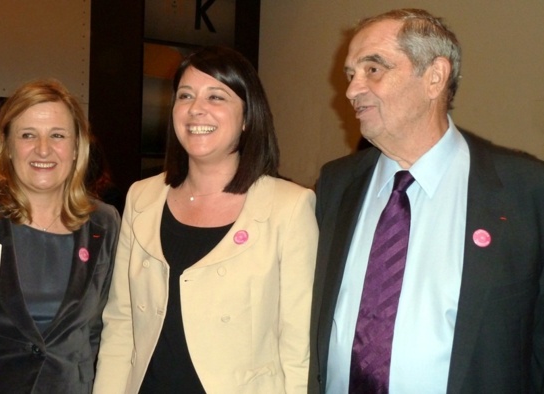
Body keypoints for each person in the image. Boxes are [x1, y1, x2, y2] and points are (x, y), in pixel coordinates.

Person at [309, 8, 544, 394]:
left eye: (373, 69)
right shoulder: (335, 184)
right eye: (350, 74)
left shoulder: (525, 191)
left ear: (434, 77)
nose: (352, 90)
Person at [94, 46, 318, 393]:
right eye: (186, 95)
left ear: (247, 117)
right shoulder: (142, 197)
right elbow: (121, 323)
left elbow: (297, 345)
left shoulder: (289, 207)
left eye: (217, 96)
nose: (197, 108)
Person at [0, 79, 120, 393]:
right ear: (7, 147)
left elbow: (98, 331)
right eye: (28, 135)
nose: (43, 149)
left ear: (76, 148)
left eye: (57, 135)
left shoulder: (104, 222)